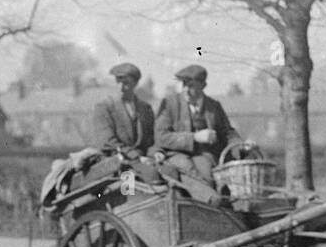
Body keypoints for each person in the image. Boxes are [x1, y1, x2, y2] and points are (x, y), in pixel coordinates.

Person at [151, 64, 240, 201]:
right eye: (184, 84)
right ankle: (212, 200)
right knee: (187, 168)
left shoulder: (213, 106)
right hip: (175, 154)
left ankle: (212, 205)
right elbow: (161, 137)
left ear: (203, 85)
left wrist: (240, 145)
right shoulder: (169, 104)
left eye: (191, 85)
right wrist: (195, 137)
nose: (186, 90)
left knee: (207, 171)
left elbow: (228, 133)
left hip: (205, 156)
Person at [92, 63, 154, 159]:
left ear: (135, 83)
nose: (121, 88)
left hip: (142, 158)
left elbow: (152, 139)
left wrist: (156, 153)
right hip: (113, 159)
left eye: (126, 83)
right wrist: (134, 156)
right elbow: (107, 142)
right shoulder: (104, 107)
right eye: (118, 82)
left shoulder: (146, 108)